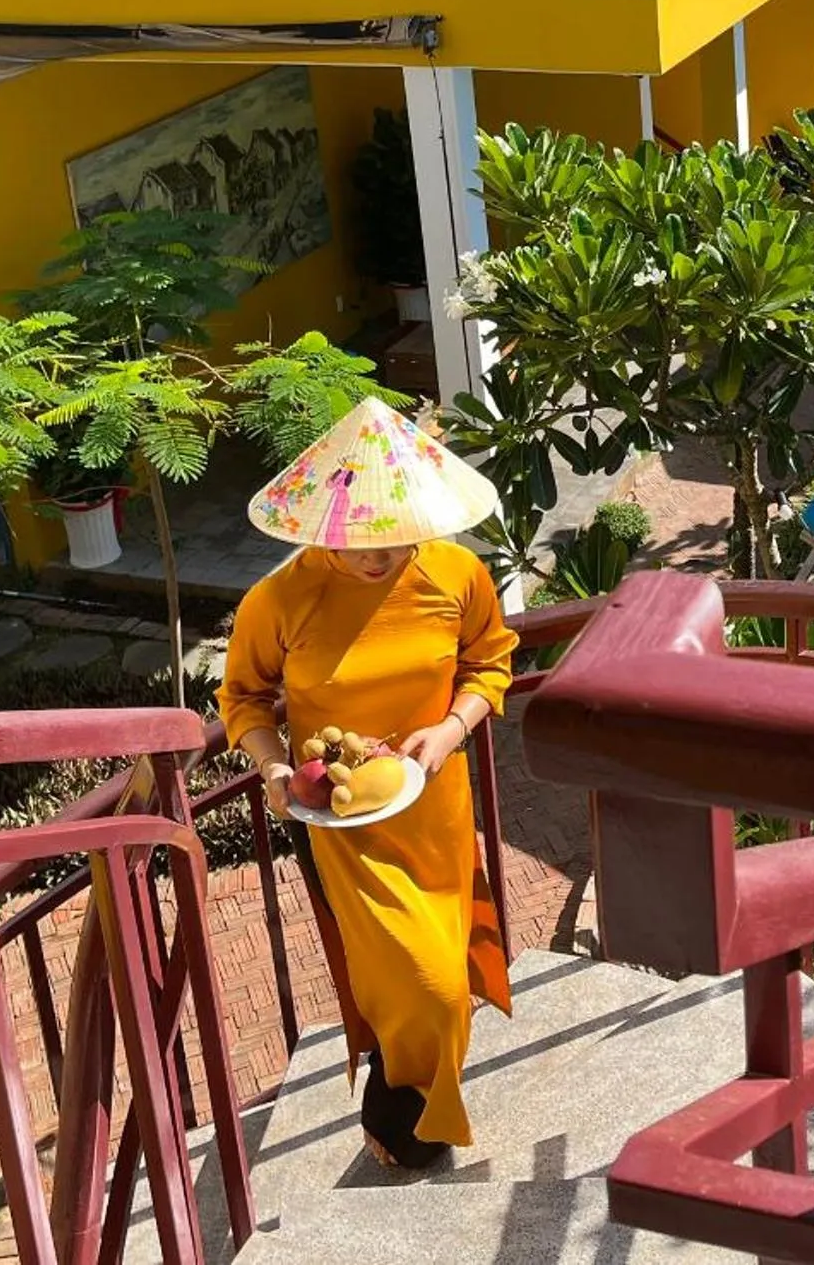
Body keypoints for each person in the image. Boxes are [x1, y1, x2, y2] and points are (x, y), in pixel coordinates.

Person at [218, 397, 518, 1170]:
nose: (378, 556)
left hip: (435, 810)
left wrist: (449, 731)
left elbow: (490, 663)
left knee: (432, 978)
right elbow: (244, 698)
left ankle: (399, 1123)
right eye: (359, 539)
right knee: (428, 986)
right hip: (340, 822)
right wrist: (273, 766)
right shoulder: (280, 599)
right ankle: (405, 1115)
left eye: (395, 535)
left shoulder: (457, 573)